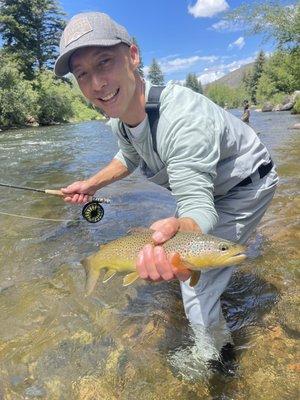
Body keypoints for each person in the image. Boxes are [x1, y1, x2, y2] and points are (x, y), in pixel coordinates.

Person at [54, 12, 278, 372]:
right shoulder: (120, 116)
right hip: (209, 186)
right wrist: (91, 184)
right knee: (186, 260)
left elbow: (195, 205)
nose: (96, 83)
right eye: (82, 74)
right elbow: (127, 156)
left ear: (133, 56)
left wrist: (184, 244)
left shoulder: (183, 120)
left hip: (245, 186)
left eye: (104, 62)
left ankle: (216, 360)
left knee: (193, 281)